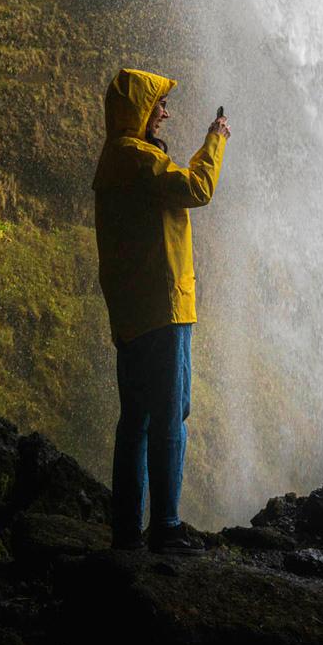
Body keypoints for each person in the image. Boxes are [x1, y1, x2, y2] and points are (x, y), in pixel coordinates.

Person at [91, 68, 230, 555]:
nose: (166, 112)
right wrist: (214, 140)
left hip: (132, 310)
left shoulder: (115, 159)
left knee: (136, 421)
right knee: (170, 414)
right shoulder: (136, 157)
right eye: (160, 105)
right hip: (163, 306)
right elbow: (197, 189)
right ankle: (166, 527)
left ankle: (127, 531)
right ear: (140, 110)